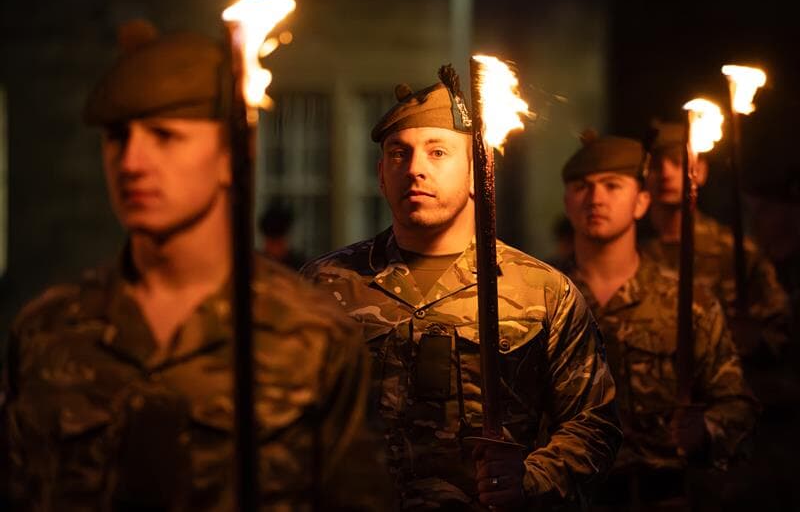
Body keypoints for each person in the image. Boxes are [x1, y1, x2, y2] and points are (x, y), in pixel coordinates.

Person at [1, 21, 388, 511]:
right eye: (118, 138)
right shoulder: (48, 331)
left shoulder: (312, 337)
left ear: (234, 153)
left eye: (165, 136)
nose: (132, 161)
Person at [301, 66, 622, 510]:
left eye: (437, 153)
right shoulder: (325, 286)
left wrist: (529, 478)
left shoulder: (543, 293)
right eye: (399, 153)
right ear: (380, 174)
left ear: (477, 170)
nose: (414, 169)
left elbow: (593, 424)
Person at [560, 132, 758, 510]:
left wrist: (706, 429)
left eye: (612, 185)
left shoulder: (688, 303)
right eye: (581, 186)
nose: (595, 198)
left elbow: (738, 404)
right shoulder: (537, 301)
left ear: (642, 202)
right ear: (567, 201)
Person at [640, 119, 790, 359]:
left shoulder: (732, 250)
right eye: (655, 165)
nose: (666, 173)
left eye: (678, 163)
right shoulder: (632, 250)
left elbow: (783, 332)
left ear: (700, 172)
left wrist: (753, 339)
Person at [258, 200, 306, 270]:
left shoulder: (300, 266)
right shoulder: (258, 264)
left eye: (277, 243)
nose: (274, 249)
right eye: (271, 243)